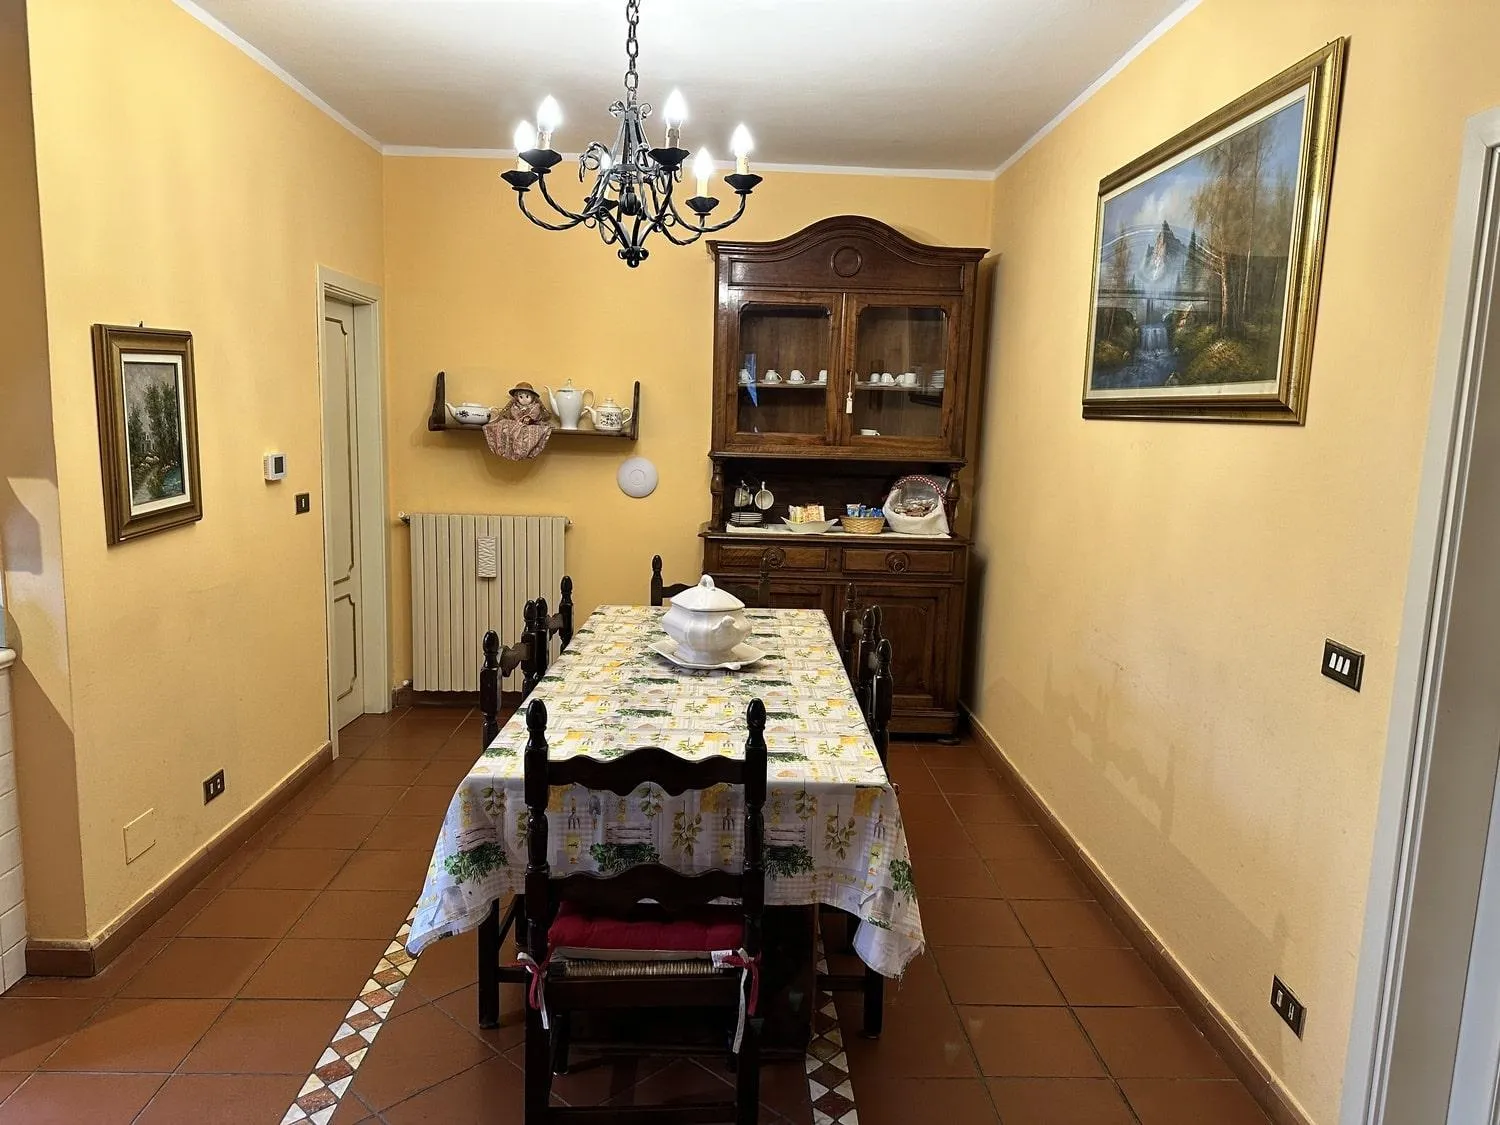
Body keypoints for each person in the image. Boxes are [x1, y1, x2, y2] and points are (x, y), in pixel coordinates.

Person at [484, 381, 553, 460]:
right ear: (517, 397)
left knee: (534, 430)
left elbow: (534, 415)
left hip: (531, 424)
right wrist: (519, 420)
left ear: (532, 397)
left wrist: (528, 418)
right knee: (504, 424)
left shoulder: (535, 406)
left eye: (527, 396)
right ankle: (510, 449)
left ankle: (526, 450)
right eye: (521, 397)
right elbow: (514, 415)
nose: (524, 399)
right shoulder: (515, 407)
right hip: (518, 423)